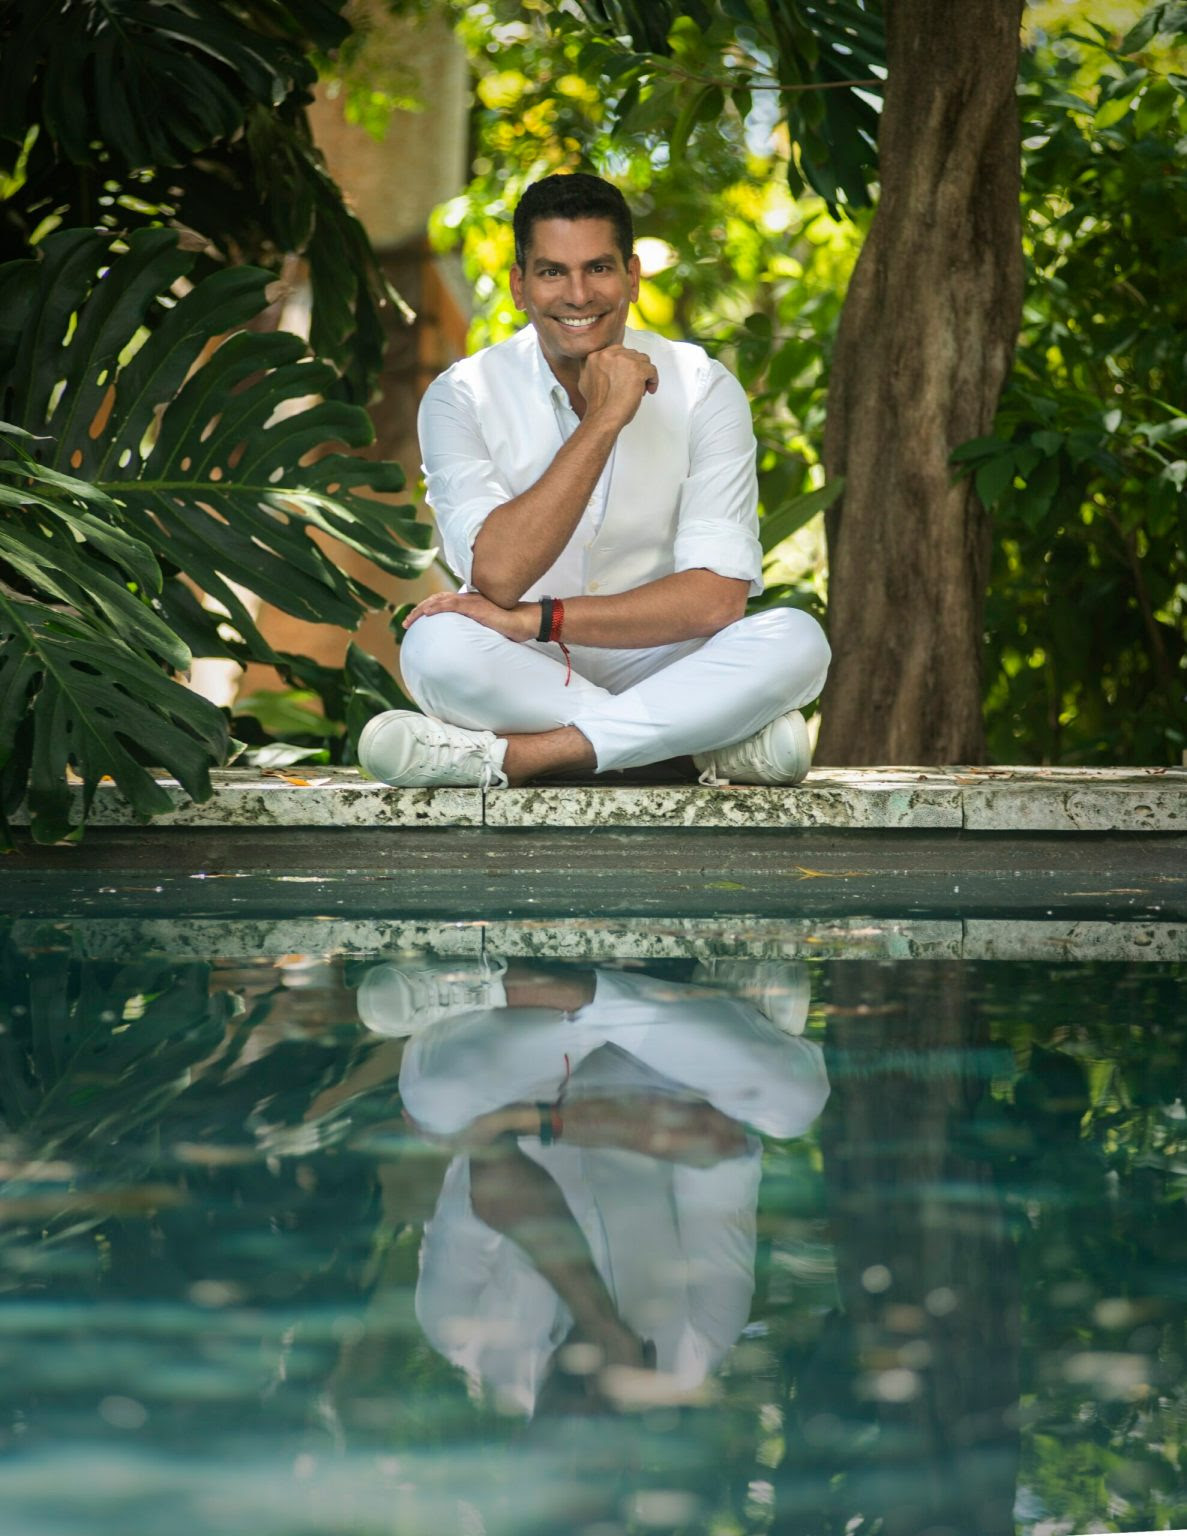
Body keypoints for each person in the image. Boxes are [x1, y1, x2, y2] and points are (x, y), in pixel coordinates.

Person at [358, 172, 831, 790]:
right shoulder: (463, 396)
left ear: (632, 276)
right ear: (520, 286)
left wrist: (539, 619)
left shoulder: (703, 387)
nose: (578, 294)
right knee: (435, 648)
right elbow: (498, 576)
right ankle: (694, 753)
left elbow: (716, 601)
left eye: (598, 269)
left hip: (665, 661)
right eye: (553, 272)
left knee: (797, 640)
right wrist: (605, 418)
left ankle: (519, 759)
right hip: (522, 668)